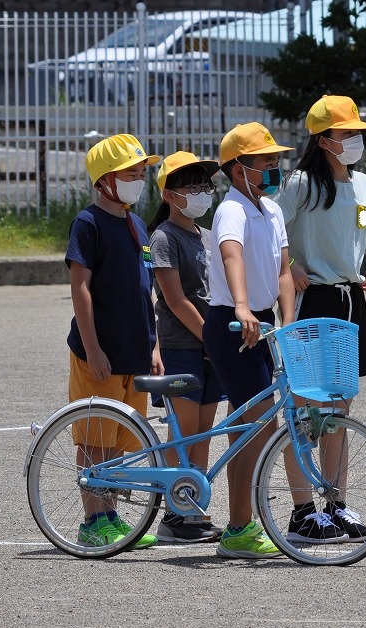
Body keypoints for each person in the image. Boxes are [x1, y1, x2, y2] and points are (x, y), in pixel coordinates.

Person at [274, 94, 366, 541]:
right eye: (347, 133)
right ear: (323, 140)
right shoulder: (300, 184)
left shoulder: (363, 185)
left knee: (339, 407)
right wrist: (291, 266)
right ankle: (302, 512)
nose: (355, 140)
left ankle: (336, 503)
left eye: (358, 132)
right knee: (303, 407)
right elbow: (273, 230)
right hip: (312, 298)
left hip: (351, 300)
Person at [201, 122, 296, 559]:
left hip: (263, 321)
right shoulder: (231, 209)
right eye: (266, 162)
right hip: (231, 322)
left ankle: (242, 522)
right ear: (239, 169)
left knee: (256, 426)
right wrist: (241, 306)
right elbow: (230, 254)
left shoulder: (271, 210)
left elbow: (282, 270)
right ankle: (239, 527)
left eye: (276, 160)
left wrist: (289, 320)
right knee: (254, 427)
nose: (275, 167)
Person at [65, 132, 163, 550]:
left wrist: (154, 346)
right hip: (99, 352)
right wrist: (93, 348)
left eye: (143, 172)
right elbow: (80, 288)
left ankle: (113, 517)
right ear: (104, 179)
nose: (139, 180)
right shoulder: (88, 224)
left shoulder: (137, 224)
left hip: (134, 352)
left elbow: (148, 290)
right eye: (131, 173)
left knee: (121, 441)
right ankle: (94, 520)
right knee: (93, 439)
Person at [148, 150, 226, 544]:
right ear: (168, 195)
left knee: (204, 432)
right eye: (189, 186)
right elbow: (176, 300)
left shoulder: (208, 235)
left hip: (209, 346)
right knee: (185, 431)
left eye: (204, 185)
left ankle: (191, 508)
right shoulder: (163, 237)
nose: (200, 193)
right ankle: (173, 514)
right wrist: (209, 336)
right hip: (184, 345)